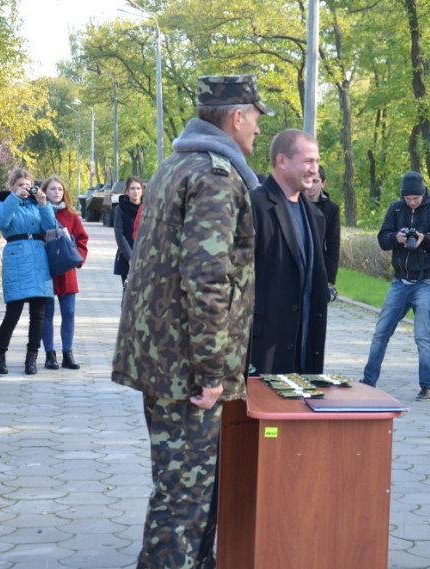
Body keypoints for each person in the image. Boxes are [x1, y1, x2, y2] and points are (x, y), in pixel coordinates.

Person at [112, 74, 271, 568]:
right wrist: (211, 372)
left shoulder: (176, 165)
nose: (259, 131)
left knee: (190, 489)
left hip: (162, 355)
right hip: (186, 366)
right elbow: (205, 278)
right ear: (237, 116)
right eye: (256, 119)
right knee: (183, 497)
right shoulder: (216, 176)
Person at [360, 171, 430, 401]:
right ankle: (368, 381)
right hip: (400, 281)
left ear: (423, 194)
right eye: (408, 198)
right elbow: (382, 239)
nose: (412, 202)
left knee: (422, 335)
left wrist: (425, 239)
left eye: (415, 198)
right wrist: (395, 238)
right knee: (381, 332)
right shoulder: (396, 209)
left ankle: (427, 386)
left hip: (426, 282)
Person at [250, 129, 329, 374]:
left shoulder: (315, 215)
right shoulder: (254, 206)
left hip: (305, 351)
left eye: (316, 162)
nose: (314, 169)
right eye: (307, 161)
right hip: (262, 352)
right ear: (282, 161)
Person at [0, 168, 56, 376]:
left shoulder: (37, 205)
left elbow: (51, 228)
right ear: (11, 186)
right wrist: (15, 198)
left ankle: (32, 359)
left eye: (27, 185)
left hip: (39, 259)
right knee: (13, 314)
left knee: (38, 315)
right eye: (20, 185)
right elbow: (0, 223)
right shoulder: (3, 203)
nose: (24, 189)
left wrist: (44, 204)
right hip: (17, 259)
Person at [41, 176, 89, 371]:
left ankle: (68, 353)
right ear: (45, 191)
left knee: (68, 313)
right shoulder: (38, 213)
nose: (56, 192)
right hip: (46, 272)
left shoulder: (71, 215)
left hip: (67, 273)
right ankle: (49, 354)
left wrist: (77, 258)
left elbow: (82, 239)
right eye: (52, 189)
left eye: (60, 189)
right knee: (47, 314)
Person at [304, 165, 341, 293]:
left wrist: (330, 278)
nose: (310, 185)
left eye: (315, 181)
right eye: (307, 180)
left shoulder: (331, 209)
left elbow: (333, 244)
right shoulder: (293, 203)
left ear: (323, 183)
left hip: (318, 265)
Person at [114, 177, 144, 295]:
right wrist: (130, 257)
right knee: (128, 294)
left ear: (142, 190)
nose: (135, 191)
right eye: (132, 188)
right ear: (127, 191)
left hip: (145, 255)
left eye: (138, 188)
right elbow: (119, 234)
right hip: (126, 256)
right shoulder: (120, 208)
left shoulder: (148, 208)